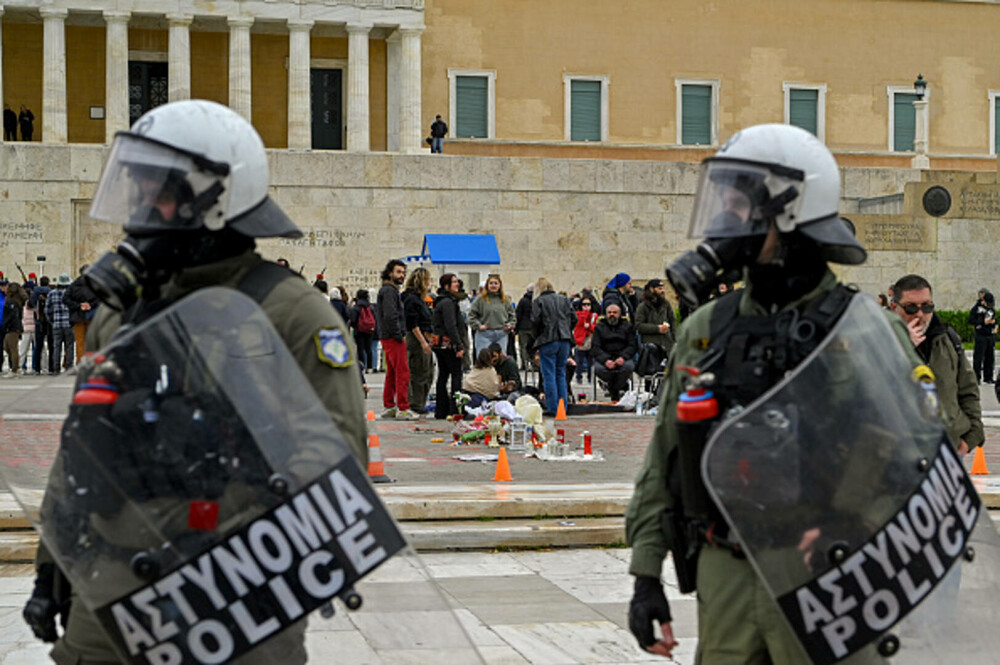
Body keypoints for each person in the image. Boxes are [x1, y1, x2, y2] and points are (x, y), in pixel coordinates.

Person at [23, 99, 369, 664]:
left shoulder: (290, 313)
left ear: (216, 200)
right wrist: (51, 565)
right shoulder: (121, 312)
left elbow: (337, 459)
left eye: (156, 191)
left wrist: (233, 521)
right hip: (112, 583)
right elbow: (80, 447)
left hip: (234, 590)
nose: (139, 208)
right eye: (134, 189)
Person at [627, 124, 919, 662]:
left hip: (827, 574)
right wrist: (647, 574)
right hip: (725, 572)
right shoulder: (705, 330)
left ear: (792, 214)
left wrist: (852, 519)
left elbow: (915, 461)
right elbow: (665, 455)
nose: (724, 225)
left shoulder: (866, 332)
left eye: (739, 209)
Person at [891, 274, 983, 456]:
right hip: (898, 453)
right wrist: (902, 346)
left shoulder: (947, 338)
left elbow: (968, 390)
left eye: (927, 307)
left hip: (947, 448)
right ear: (894, 307)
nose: (920, 314)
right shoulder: (878, 340)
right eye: (911, 308)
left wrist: (971, 437)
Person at [376, 259, 417, 420]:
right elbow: (390, 315)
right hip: (393, 336)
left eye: (403, 273)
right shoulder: (389, 291)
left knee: (392, 372)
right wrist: (399, 334)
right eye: (398, 272)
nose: (402, 275)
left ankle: (389, 405)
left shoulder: (389, 290)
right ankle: (403, 407)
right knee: (402, 372)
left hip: (388, 336)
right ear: (390, 272)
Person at [530, 277, 574, 416]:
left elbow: (534, 321)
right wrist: (567, 329)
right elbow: (574, 318)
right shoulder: (564, 299)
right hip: (565, 339)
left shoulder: (539, 301)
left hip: (547, 340)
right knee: (561, 373)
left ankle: (553, 408)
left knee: (549, 375)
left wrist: (537, 339)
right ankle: (563, 407)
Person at [432, 273, 468, 419]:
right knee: (456, 375)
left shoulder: (443, 301)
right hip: (448, 345)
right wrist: (459, 345)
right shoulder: (448, 303)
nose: (457, 284)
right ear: (446, 285)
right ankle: (456, 409)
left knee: (443, 375)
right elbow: (451, 325)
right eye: (454, 282)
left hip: (440, 343)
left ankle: (441, 410)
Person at [402, 266, 434, 415]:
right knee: (420, 372)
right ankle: (416, 403)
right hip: (417, 339)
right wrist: (423, 342)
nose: (429, 283)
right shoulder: (412, 299)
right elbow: (413, 324)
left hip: (423, 338)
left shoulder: (418, 299)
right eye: (427, 280)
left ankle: (419, 401)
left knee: (427, 372)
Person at [592, 303, 638, 401]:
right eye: (609, 312)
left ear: (620, 314)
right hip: (605, 357)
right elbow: (595, 347)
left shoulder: (628, 326)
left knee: (628, 367)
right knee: (599, 369)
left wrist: (623, 357)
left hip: (622, 357)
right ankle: (617, 387)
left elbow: (632, 345)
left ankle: (613, 388)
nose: (612, 314)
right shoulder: (599, 328)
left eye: (615, 312)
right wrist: (605, 360)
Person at [469, 273, 516, 356]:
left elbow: (512, 316)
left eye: (496, 283)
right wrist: (478, 326)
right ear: (487, 285)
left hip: (501, 334)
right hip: (484, 334)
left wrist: (510, 325)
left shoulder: (505, 300)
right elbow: (471, 316)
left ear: (500, 285)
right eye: (491, 283)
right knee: (483, 359)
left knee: (501, 360)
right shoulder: (480, 299)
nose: (493, 285)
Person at [63, 266, 99, 367]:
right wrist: (90, 305)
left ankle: (81, 363)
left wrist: (78, 306)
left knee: (80, 342)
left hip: (77, 317)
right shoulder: (95, 285)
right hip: (91, 316)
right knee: (92, 341)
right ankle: (91, 362)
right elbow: (101, 299)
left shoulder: (74, 285)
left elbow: (65, 299)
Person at [45, 274, 73, 372]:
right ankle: (69, 367)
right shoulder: (71, 293)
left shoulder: (51, 293)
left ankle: (56, 368)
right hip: (69, 324)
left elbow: (47, 310)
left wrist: (52, 321)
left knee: (56, 346)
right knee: (69, 346)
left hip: (56, 324)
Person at [968, 288, 995, 384]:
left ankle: (988, 377)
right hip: (981, 335)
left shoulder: (991, 309)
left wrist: (994, 324)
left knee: (990, 357)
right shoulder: (977, 308)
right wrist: (983, 322)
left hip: (990, 335)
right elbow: (971, 320)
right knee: (979, 357)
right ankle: (976, 377)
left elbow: (993, 318)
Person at [1, 282, 27, 376]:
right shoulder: (16, 301)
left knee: (12, 348)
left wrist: (6, 324)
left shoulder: (11, 302)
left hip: (12, 327)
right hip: (13, 326)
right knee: (7, 346)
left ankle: (15, 369)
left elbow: (11, 316)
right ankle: (17, 366)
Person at [572, 294, 598, 383]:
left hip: (590, 341)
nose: (586, 306)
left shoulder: (594, 316)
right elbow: (578, 324)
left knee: (590, 361)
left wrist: (589, 326)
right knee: (579, 361)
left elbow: (595, 328)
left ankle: (590, 377)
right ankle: (579, 377)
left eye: (588, 304)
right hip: (580, 341)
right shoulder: (577, 314)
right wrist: (585, 313)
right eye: (584, 304)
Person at [350, 288, 377, 372]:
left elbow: (353, 320)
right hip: (369, 330)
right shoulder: (371, 307)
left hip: (359, 330)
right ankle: (370, 367)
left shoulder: (356, 307)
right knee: (369, 349)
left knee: (360, 349)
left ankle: (362, 366)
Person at [515, 283, 535, 369]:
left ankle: (525, 364)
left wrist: (516, 328)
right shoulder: (537, 300)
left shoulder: (523, 301)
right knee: (534, 346)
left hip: (523, 327)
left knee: (523, 347)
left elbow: (518, 315)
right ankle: (534, 364)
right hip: (534, 328)